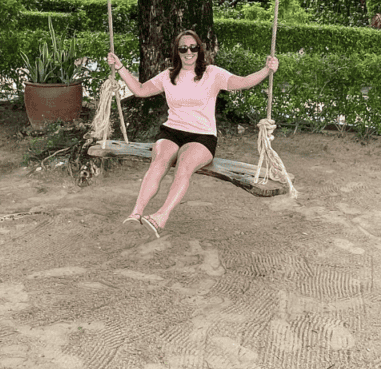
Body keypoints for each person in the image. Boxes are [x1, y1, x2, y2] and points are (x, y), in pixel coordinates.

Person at [106, 30, 278, 239]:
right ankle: (136, 213)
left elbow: (242, 82)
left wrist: (266, 70)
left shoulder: (212, 74)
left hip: (201, 136)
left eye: (193, 47)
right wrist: (120, 67)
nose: (189, 52)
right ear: (177, 52)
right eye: (183, 48)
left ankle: (161, 217)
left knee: (184, 166)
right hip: (171, 131)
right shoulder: (168, 75)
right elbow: (141, 90)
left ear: (199, 50)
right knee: (159, 160)